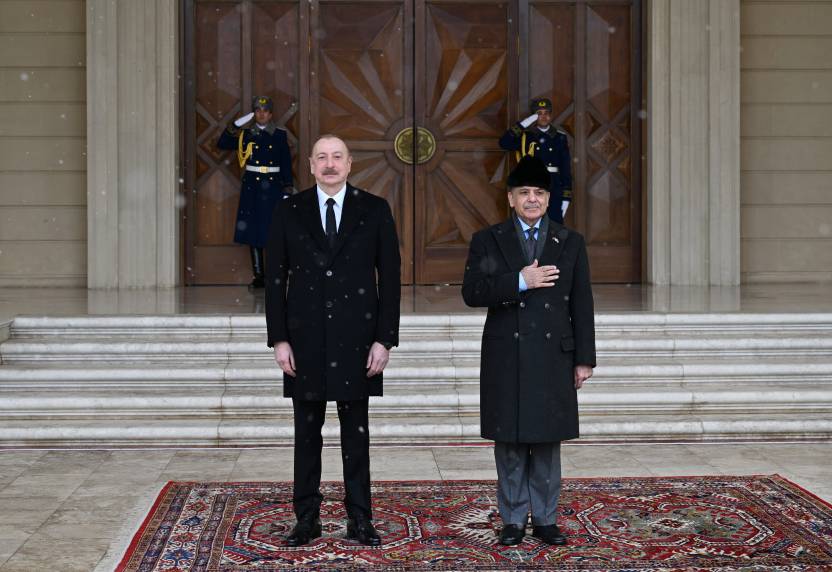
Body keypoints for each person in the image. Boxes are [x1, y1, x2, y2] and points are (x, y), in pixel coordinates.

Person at [265, 134, 401, 547]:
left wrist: (384, 340)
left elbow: (391, 280)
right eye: (321, 157)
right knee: (306, 436)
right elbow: (274, 279)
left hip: (357, 341)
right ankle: (306, 519)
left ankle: (360, 518)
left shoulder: (375, 210)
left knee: (355, 436)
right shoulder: (289, 210)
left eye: (337, 157)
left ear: (350, 162)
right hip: (304, 342)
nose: (329, 164)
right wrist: (279, 340)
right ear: (309, 165)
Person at [461, 155, 595, 547]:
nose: (532, 200)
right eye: (524, 193)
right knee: (511, 440)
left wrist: (584, 358)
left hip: (554, 353)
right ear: (510, 198)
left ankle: (547, 519)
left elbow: (581, 304)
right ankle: (514, 519)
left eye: (539, 193)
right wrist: (519, 281)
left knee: (546, 441)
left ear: (548, 198)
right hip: (507, 354)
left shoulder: (569, 242)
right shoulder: (488, 240)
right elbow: (473, 293)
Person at [218, 95, 293, 288]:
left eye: (265, 111)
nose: (262, 114)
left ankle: (275, 275)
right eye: (258, 111)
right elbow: (223, 143)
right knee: (254, 231)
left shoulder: (279, 135)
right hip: (252, 187)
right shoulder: (246, 134)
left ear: (270, 113)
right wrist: (234, 125)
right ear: (254, 113)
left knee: (273, 231)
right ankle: (259, 276)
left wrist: (287, 188)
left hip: (273, 187)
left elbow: (285, 163)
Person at [499, 98, 573, 223]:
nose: (543, 117)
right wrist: (523, 124)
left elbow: (565, 168)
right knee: (528, 222)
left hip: (553, 185)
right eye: (539, 113)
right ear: (533, 116)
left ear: (551, 115)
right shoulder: (526, 136)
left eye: (546, 113)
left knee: (554, 226)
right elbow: (504, 143)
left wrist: (566, 197)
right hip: (531, 184)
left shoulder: (559, 137)